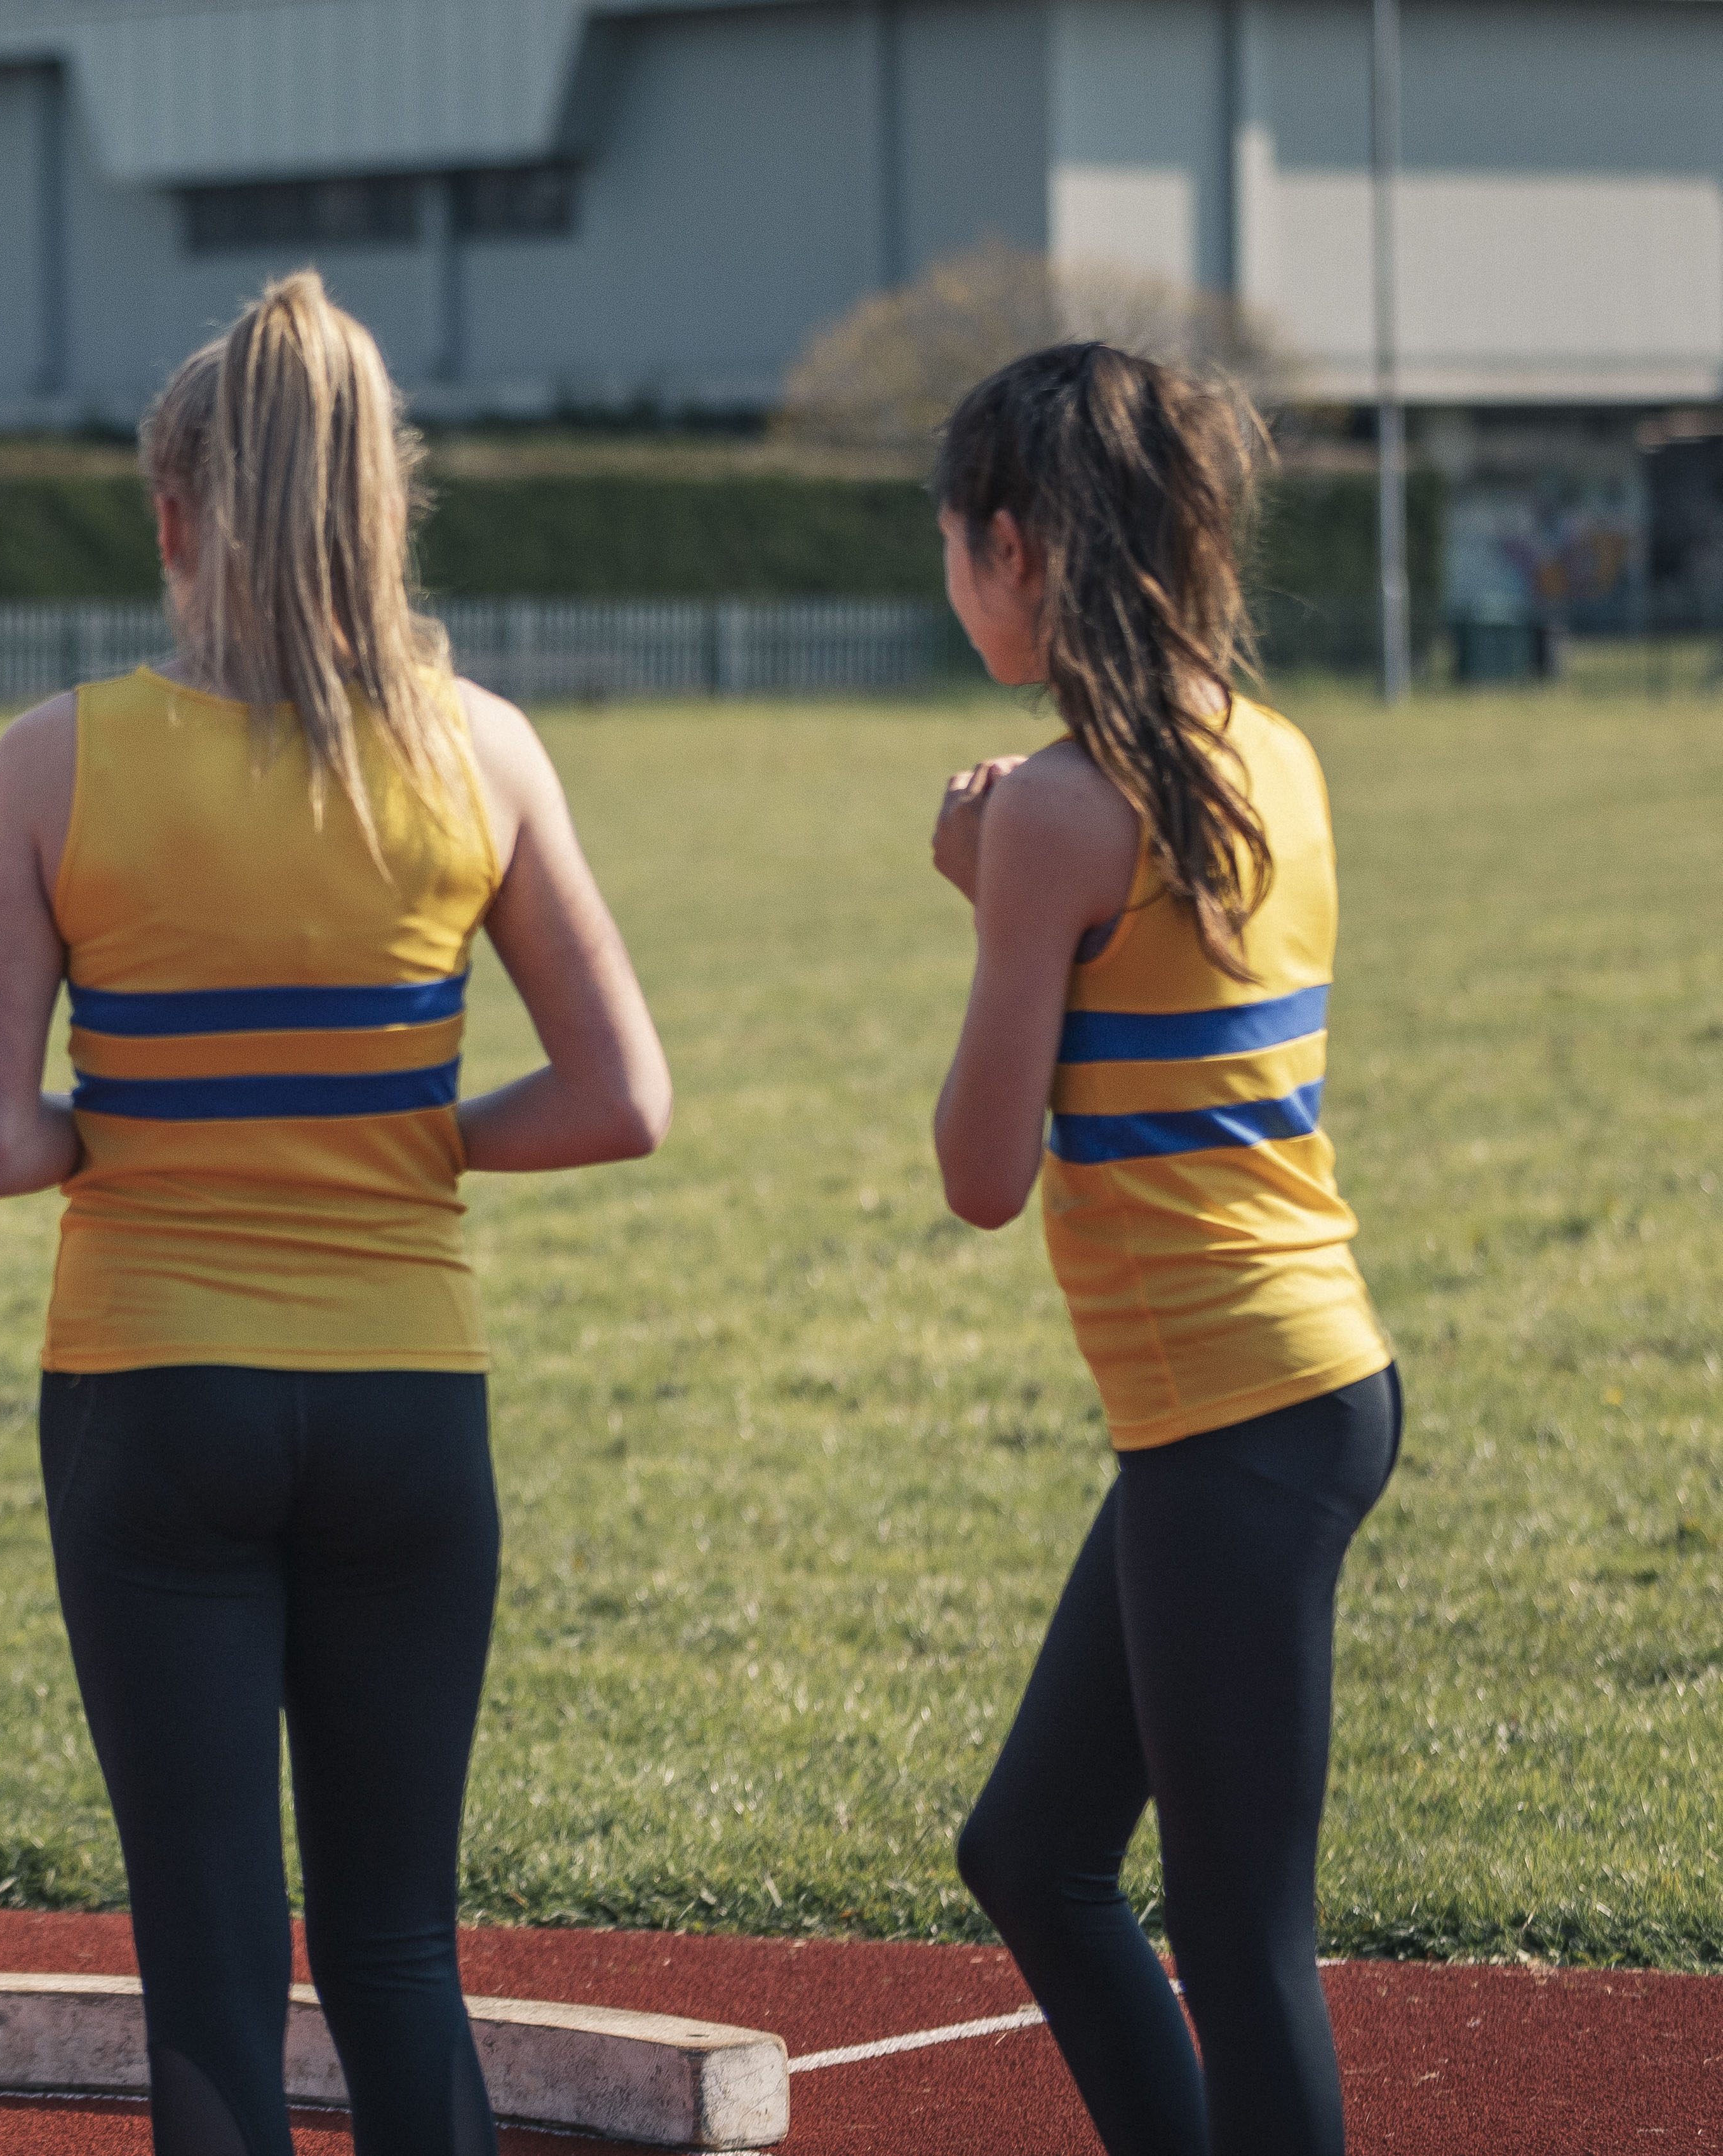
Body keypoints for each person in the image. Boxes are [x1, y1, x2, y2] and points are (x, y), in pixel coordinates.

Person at [0, 271, 671, 2155]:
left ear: (178, 515)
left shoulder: (55, 759)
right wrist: (410, 1132)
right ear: (384, 507)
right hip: (406, 1395)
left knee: (209, 1962)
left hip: (150, 1390)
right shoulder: (482, 749)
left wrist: (144, 1121)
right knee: (398, 1947)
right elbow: (622, 1099)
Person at [927, 344, 1400, 2156]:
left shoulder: (1058, 811)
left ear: (1017, 546)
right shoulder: (1271, 752)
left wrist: (988, 890)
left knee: (1236, 1930)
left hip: (1235, 1419)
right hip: (1290, 1384)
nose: (953, 576)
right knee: (1031, 1849)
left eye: (955, 543)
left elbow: (981, 1170)